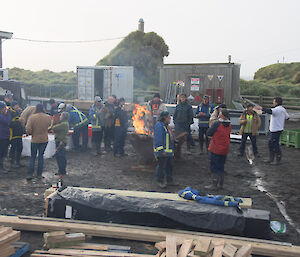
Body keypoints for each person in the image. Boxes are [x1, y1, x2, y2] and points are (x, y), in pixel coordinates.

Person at [255, 96, 289, 165]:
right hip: (277, 129)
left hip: (275, 130)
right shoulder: (283, 109)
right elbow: (287, 117)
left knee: (274, 144)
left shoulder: (277, 109)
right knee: (271, 144)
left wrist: (261, 108)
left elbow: (270, 111)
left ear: (276, 102)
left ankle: (277, 160)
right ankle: (271, 159)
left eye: (274, 101)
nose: (273, 102)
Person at [206, 109, 231, 189]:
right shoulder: (229, 124)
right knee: (221, 166)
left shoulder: (217, 124)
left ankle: (214, 185)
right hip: (224, 149)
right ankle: (221, 184)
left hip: (215, 148)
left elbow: (208, 133)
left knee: (214, 167)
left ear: (222, 115)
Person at [26, 103, 51, 180]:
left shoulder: (32, 117)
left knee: (33, 157)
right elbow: (50, 126)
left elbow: (28, 129)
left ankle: (30, 174)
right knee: (41, 156)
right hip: (44, 139)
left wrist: (31, 133)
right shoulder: (47, 117)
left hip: (35, 139)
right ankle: (39, 174)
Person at [154, 111, 175, 188]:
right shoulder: (159, 126)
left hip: (168, 152)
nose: (170, 118)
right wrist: (161, 151)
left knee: (169, 166)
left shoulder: (166, 126)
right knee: (161, 166)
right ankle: (160, 181)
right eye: (169, 117)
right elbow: (158, 139)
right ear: (164, 118)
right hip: (163, 152)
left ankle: (169, 181)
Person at [8, 101, 24, 169]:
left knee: (20, 148)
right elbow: (9, 124)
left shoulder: (18, 112)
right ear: (13, 106)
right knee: (13, 148)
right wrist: (18, 121)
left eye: (18, 105)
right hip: (13, 134)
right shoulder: (10, 113)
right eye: (16, 105)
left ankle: (18, 162)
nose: (17, 107)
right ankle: (12, 163)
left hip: (19, 133)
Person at [0, 101, 12, 174]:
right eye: (4, 107)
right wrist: (8, 113)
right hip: (2, 137)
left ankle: (1, 167)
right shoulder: (1, 116)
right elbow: (8, 121)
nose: (5, 109)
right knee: (1, 153)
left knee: (2, 153)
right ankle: (0, 168)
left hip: (4, 136)